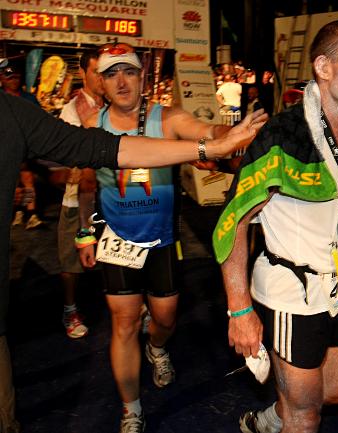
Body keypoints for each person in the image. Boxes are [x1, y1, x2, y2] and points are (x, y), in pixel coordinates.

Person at [0, 55, 267, 433]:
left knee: (165, 319)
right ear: (101, 83)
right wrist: (85, 232)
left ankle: (156, 347)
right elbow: (87, 184)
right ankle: (132, 408)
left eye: (129, 72)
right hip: (118, 242)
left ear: (142, 77)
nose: (122, 82)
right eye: (112, 75)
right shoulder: (94, 126)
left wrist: (232, 135)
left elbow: (205, 132)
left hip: (162, 244)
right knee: (123, 322)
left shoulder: (168, 118)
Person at [213, 19, 338, 433]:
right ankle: (287, 416)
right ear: (324, 67)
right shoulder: (282, 135)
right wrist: (240, 309)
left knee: (336, 393)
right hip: (293, 291)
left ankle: (273, 417)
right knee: (306, 415)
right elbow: (235, 221)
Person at [56, 50, 106, 339]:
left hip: (110, 197)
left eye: (106, 72)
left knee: (114, 252)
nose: (103, 79)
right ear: (83, 72)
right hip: (77, 198)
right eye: (97, 72)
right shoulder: (72, 110)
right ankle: (69, 309)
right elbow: (76, 159)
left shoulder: (113, 106)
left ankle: (128, 303)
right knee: (71, 259)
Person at [1, 62, 44, 231]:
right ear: (1, 79)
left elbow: (41, 120)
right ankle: (19, 211)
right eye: (8, 77)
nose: (13, 80)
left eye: (16, 77)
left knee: (27, 178)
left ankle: (31, 213)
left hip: (25, 146)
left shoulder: (29, 98)